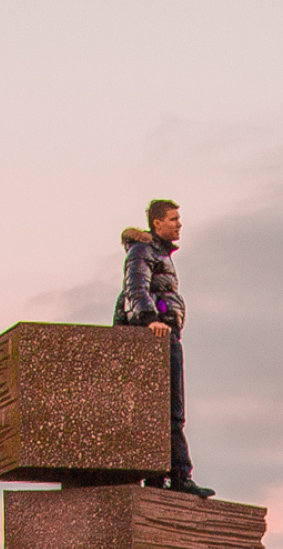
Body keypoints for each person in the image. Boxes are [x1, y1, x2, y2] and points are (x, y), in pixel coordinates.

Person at [117, 199, 213, 497]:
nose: (179, 224)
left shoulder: (158, 254)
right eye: (173, 219)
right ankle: (178, 476)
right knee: (167, 411)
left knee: (170, 411)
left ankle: (168, 477)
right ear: (156, 223)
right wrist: (150, 321)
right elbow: (136, 288)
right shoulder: (143, 251)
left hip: (166, 336)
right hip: (155, 338)